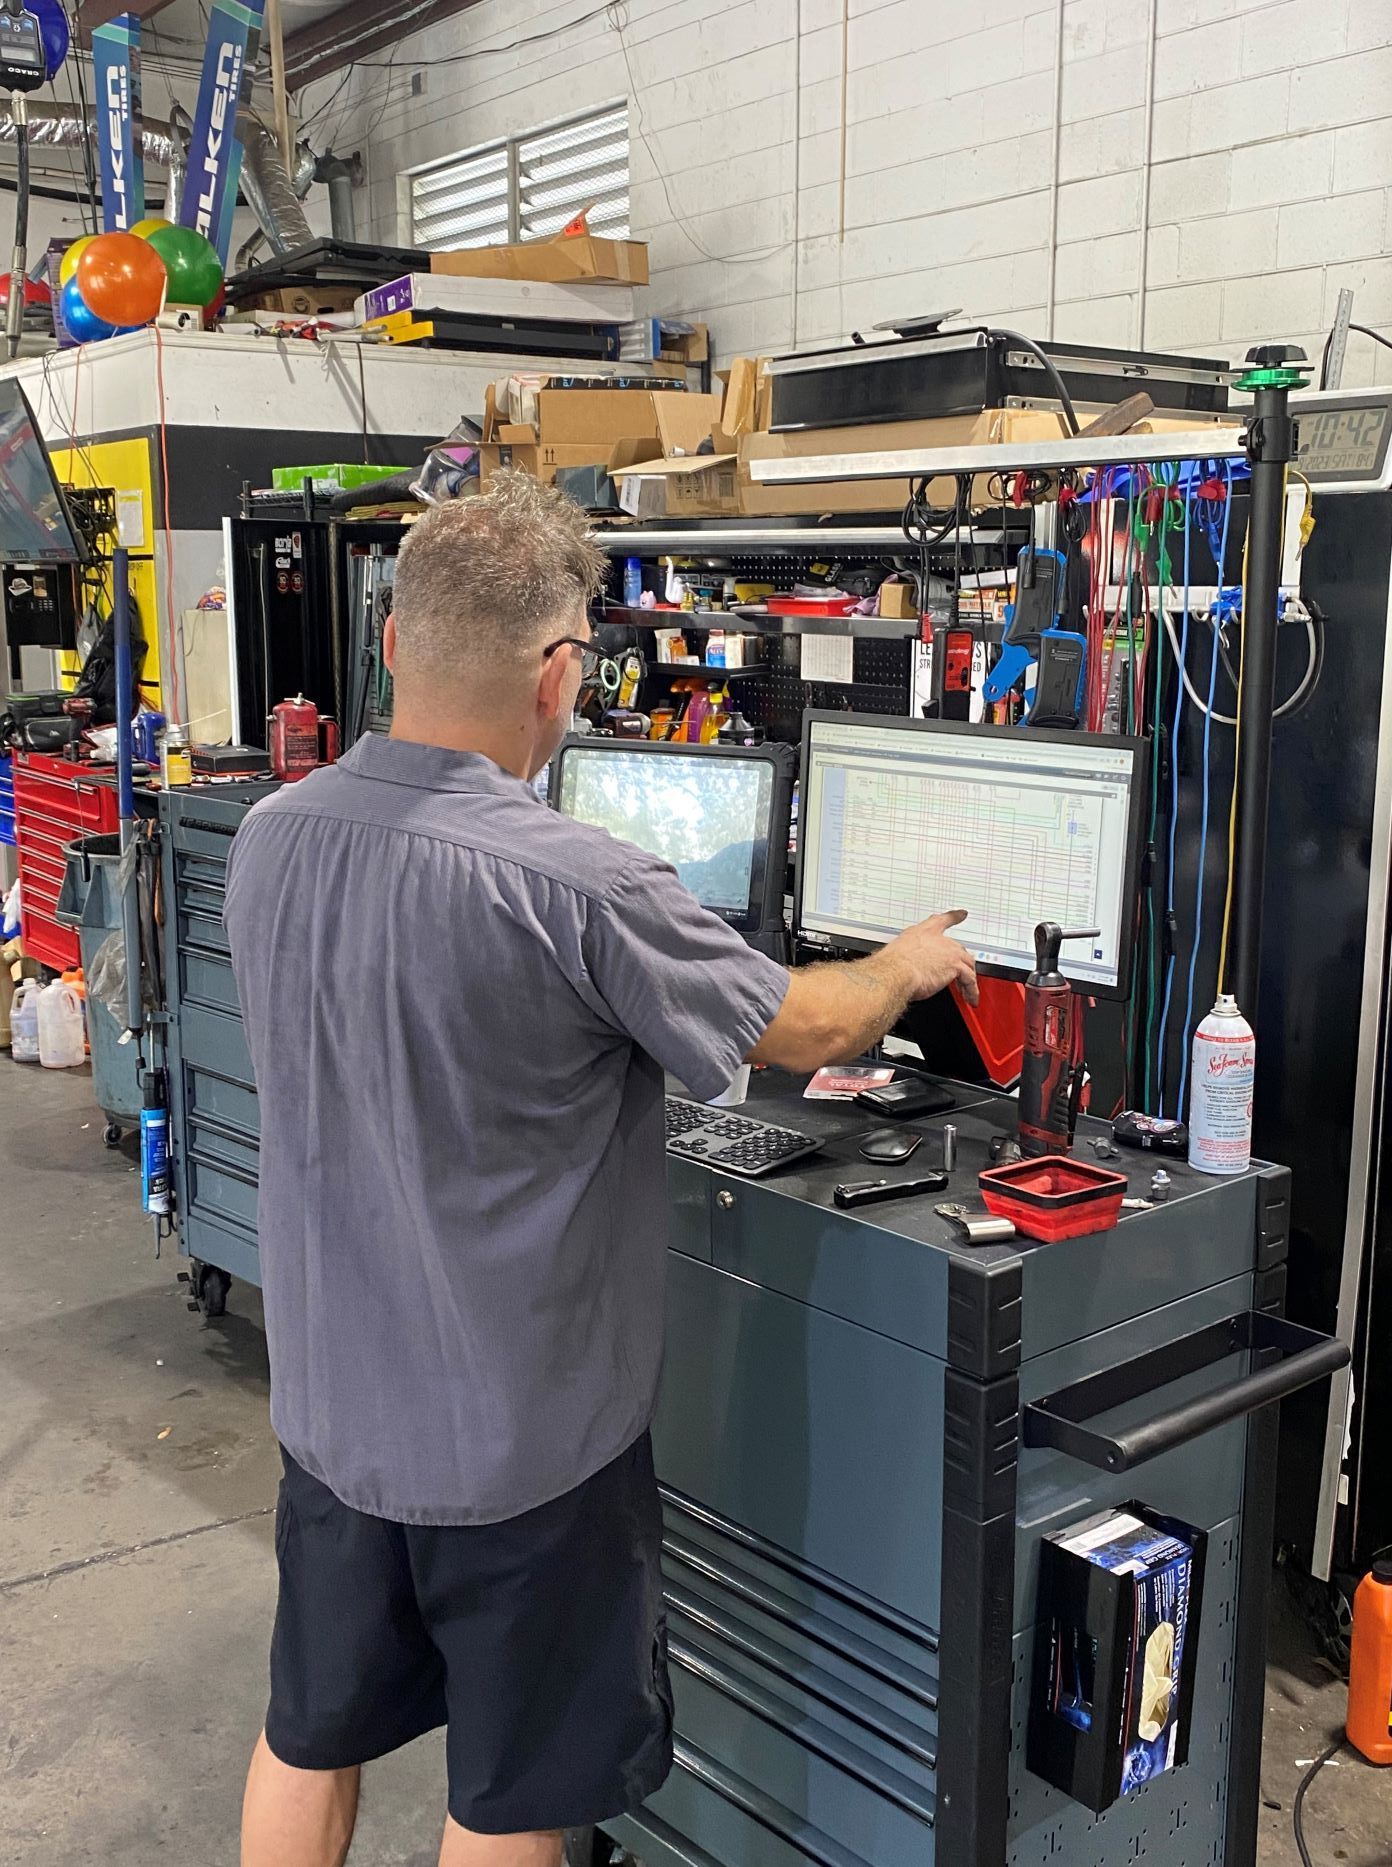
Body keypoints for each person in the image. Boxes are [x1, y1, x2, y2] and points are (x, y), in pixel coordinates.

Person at [224, 471, 977, 1867]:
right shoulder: (579, 881)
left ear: (392, 640)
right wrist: (904, 965)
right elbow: (798, 1027)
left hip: (334, 1417)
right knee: (513, 1796)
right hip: (524, 1454)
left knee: (308, 1730)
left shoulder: (273, 838)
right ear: (561, 675)